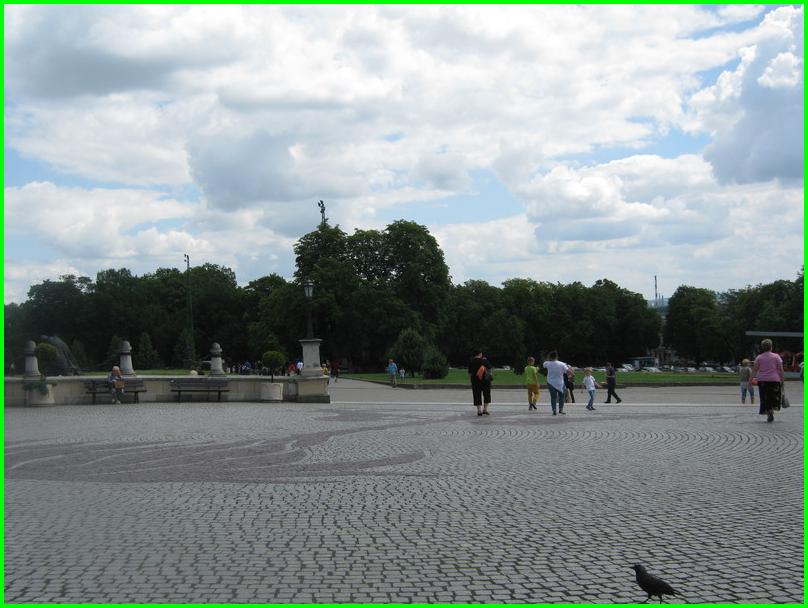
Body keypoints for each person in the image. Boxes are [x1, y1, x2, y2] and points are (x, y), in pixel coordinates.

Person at [752, 339, 785, 423]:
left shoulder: (759, 357)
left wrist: (750, 380)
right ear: (771, 347)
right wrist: (782, 379)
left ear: (762, 347)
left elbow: (755, 370)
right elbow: (780, 369)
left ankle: (768, 412)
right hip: (774, 380)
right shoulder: (776, 356)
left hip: (762, 380)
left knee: (764, 398)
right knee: (774, 397)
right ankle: (771, 410)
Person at [543, 351, 569, 415]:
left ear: (550, 356)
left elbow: (544, 365)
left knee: (553, 397)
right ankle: (561, 410)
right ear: (557, 356)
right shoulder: (562, 364)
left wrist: (548, 358)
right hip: (560, 383)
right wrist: (571, 375)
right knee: (561, 397)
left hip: (550, 383)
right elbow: (568, 371)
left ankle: (554, 410)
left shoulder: (547, 363)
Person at [468, 349, 493, 416]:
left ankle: (479, 411)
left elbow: (469, 373)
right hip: (485, 381)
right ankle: (485, 409)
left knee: (477, 395)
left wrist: (470, 381)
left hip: (475, 381)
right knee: (487, 394)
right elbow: (490, 368)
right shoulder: (484, 360)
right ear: (480, 354)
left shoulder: (471, 361)